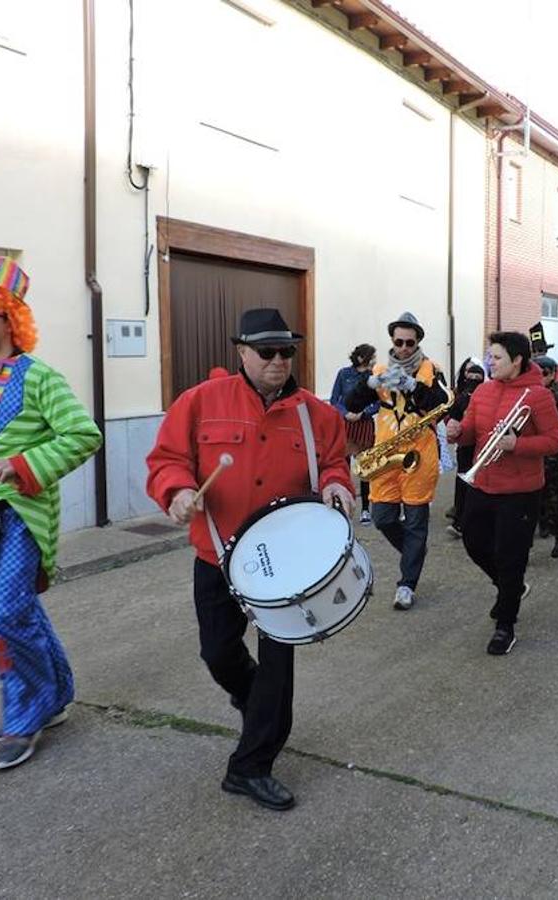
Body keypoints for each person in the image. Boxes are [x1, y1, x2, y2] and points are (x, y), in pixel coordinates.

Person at [146, 308, 353, 811]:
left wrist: (336, 487)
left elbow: (334, 464)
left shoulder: (316, 414)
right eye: (267, 353)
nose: (279, 361)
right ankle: (253, 699)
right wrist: (176, 491)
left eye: (287, 352)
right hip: (216, 555)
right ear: (241, 352)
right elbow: (167, 461)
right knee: (218, 653)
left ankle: (251, 765)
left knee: (279, 670)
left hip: (288, 567)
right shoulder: (199, 403)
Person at [0, 257, 102, 771]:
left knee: (5, 615)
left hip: (27, 515)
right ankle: (54, 696)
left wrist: (26, 463)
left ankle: (24, 714)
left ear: (14, 319)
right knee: (17, 610)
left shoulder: (41, 379)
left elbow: (84, 435)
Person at [446, 332, 558, 655]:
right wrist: (457, 432)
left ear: (517, 361)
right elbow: (472, 430)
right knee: (473, 541)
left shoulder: (538, 396)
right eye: (490, 356)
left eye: (496, 357)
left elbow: (555, 441)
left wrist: (518, 445)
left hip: (521, 491)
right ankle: (509, 588)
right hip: (483, 482)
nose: (490, 362)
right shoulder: (483, 390)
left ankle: (505, 625)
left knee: (511, 556)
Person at [346, 312, 449, 610]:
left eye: (409, 342)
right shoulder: (379, 369)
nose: (403, 348)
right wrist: (369, 383)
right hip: (386, 455)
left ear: (418, 342)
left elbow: (442, 408)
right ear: (392, 340)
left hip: (420, 454)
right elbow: (352, 404)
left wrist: (413, 386)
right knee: (382, 517)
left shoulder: (432, 370)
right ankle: (414, 552)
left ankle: (407, 584)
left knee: (416, 522)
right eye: (398, 342)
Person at [330, 343, 378, 525]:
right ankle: (343, 505)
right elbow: (335, 399)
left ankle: (366, 509)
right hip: (345, 425)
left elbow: (379, 403)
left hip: (364, 425)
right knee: (342, 466)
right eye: (372, 357)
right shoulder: (344, 374)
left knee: (365, 467)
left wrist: (363, 413)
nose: (375, 361)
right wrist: (345, 413)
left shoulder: (373, 377)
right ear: (361, 358)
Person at [444, 357, 486, 539]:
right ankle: (460, 519)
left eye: (478, 379)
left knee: (476, 485)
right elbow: (451, 419)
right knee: (463, 483)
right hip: (465, 446)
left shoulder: (485, 397)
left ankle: (471, 520)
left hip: (481, 447)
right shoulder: (461, 398)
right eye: (471, 378)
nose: (473, 383)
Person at [535, 355, 558, 558]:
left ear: (552, 375)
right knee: (533, 497)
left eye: (545, 374)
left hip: (552, 456)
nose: (540, 377)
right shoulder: (528, 395)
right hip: (533, 454)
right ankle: (541, 525)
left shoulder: (557, 399)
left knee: (555, 499)